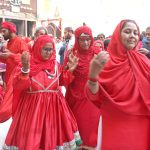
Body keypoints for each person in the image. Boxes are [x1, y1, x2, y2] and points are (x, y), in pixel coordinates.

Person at [3, 35, 82, 150]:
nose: (49, 52)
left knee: (53, 136)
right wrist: (25, 69)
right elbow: (19, 86)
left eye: (51, 49)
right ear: (37, 48)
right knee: (33, 140)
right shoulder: (26, 64)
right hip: (32, 110)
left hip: (55, 109)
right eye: (45, 49)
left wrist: (71, 69)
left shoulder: (55, 65)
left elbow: (62, 81)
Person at [86, 19, 150, 150]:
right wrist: (92, 76)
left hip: (142, 125)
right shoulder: (105, 61)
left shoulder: (143, 60)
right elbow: (96, 96)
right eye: (127, 32)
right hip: (115, 124)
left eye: (135, 33)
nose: (132, 35)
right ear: (118, 35)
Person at [64, 26, 101, 148]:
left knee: (90, 126)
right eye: (82, 39)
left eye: (88, 39)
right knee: (76, 127)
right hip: (74, 98)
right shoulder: (71, 54)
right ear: (77, 40)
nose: (86, 42)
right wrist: (70, 70)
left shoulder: (97, 53)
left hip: (92, 97)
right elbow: (63, 78)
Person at [0, 21, 28, 122]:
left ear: (11, 30)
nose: (2, 33)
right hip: (8, 77)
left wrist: (11, 55)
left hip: (17, 80)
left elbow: (26, 59)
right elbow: (7, 59)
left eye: (4, 31)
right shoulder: (8, 43)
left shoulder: (20, 42)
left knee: (14, 106)